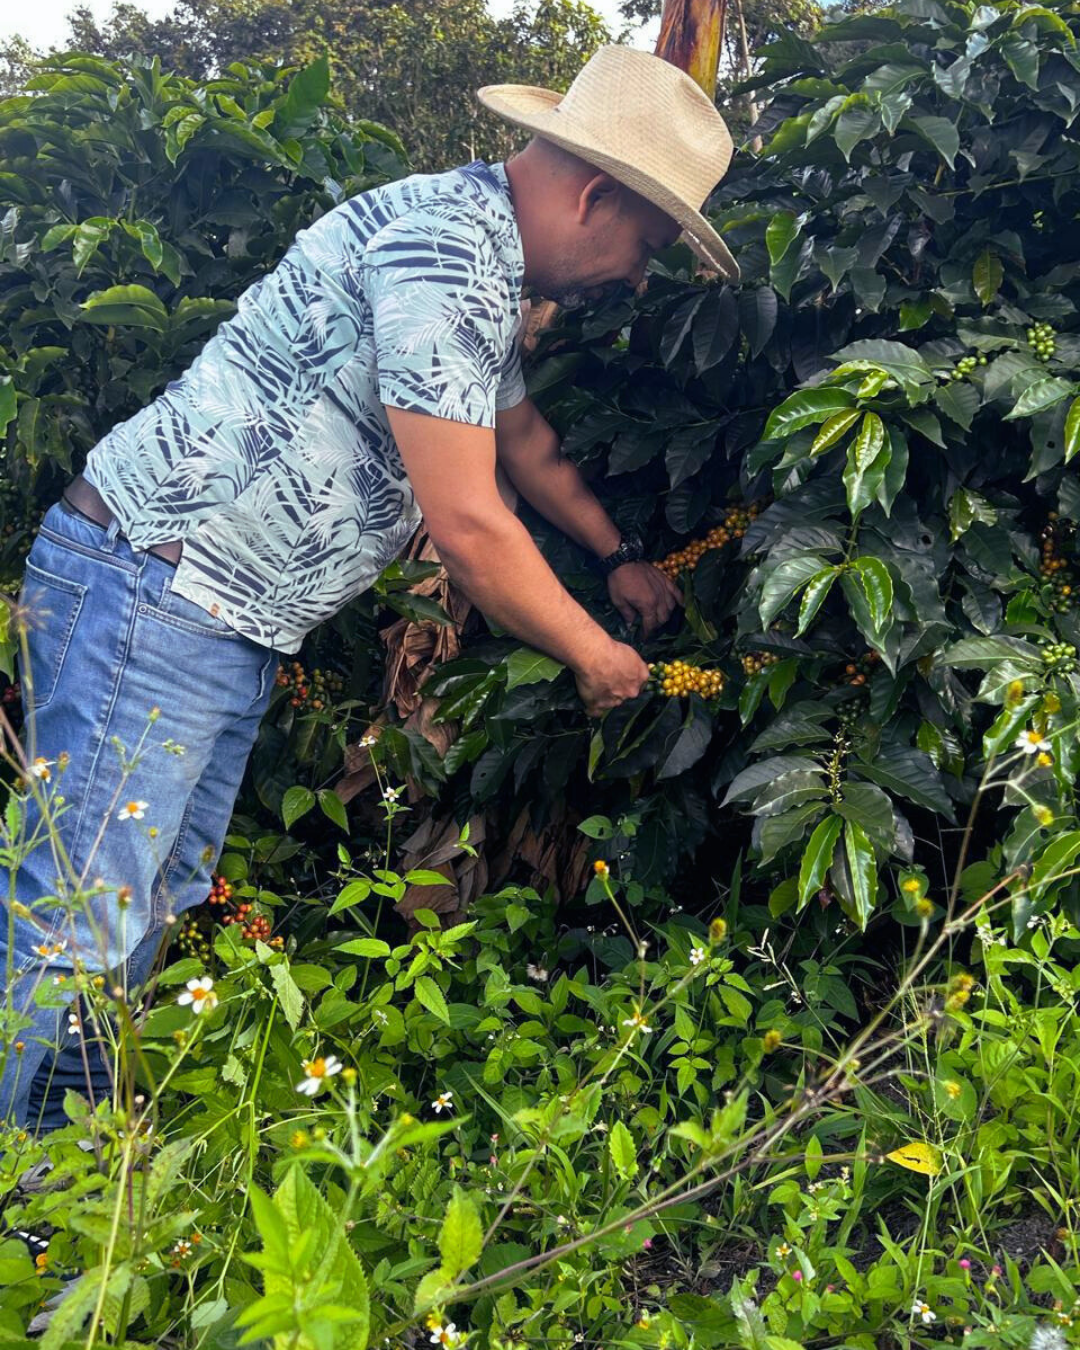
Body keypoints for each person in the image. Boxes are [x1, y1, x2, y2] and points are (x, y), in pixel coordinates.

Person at [0, 43, 738, 1132]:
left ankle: (59, 1175)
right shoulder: (450, 252)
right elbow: (472, 523)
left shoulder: (482, 259)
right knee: (80, 919)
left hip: (208, 614)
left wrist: (616, 548)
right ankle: (32, 1195)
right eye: (648, 247)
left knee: (143, 899)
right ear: (593, 197)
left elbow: (517, 435)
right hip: (155, 590)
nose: (637, 279)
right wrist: (593, 653)